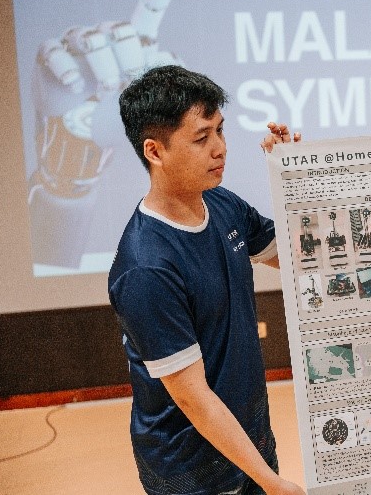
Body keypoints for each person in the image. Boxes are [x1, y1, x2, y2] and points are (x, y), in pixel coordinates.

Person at [108, 64, 305, 495]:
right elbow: (194, 399)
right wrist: (270, 482)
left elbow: (297, 255)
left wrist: (296, 178)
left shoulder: (221, 203)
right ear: (155, 152)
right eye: (201, 138)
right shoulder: (146, 269)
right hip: (190, 472)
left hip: (249, 445)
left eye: (220, 131)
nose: (220, 149)